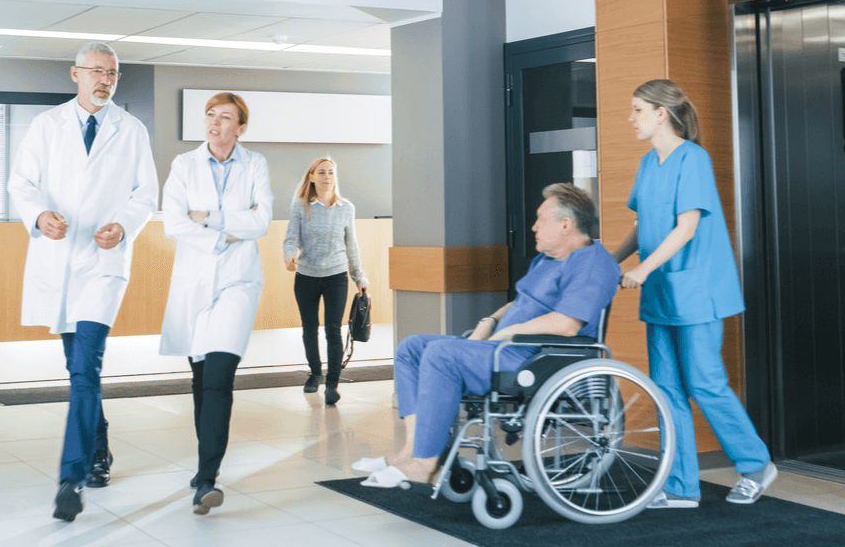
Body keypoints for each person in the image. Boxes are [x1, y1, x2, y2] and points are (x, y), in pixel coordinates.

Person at [352, 183, 618, 488]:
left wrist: (508, 332)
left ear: (566, 225)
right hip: (501, 347)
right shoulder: (546, 260)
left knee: (441, 356)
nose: (533, 227)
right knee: (412, 348)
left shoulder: (594, 264)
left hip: (530, 360)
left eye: (541, 219)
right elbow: (522, 302)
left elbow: (567, 324)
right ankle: (412, 451)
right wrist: (489, 321)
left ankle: (426, 464)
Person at [7, 42, 158, 522]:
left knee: (85, 367)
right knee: (79, 368)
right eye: (97, 71)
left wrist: (125, 224)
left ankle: (70, 478)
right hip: (60, 261)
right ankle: (99, 447)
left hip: (103, 263)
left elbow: (145, 193)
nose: (106, 80)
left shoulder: (131, 130)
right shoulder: (45, 126)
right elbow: (21, 184)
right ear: (75, 74)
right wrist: (38, 215)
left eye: (113, 73)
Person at [614, 79, 776, 508]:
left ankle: (755, 463)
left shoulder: (694, 160)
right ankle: (680, 486)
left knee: (705, 384)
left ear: (660, 113)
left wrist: (643, 269)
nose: (630, 118)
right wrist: (612, 261)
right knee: (666, 391)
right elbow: (643, 223)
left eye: (637, 110)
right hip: (662, 293)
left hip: (697, 290)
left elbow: (686, 227)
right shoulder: (650, 163)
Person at [159, 92, 274, 515]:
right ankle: (205, 464)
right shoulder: (184, 165)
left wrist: (205, 217)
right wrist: (225, 229)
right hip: (194, 284)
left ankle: (207, 478)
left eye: (225, 117)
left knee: (218, 378)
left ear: (240, 127)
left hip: (239, 282)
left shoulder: (255, 163)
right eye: (210, 115)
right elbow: (172, 221)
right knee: (200, 379)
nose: (215, 122)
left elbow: (261, 221)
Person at [282, 157, 368, 405]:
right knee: (309, 328)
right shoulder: (300, 206)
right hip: (306, 276)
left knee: (333, 329)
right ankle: (315, 373)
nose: (326, 176)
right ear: (311, 177)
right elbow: (291, 238)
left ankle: (332, 383)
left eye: (330, 172)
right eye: (321, 172)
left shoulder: (346, 208)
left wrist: (358, 276)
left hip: (336, 276)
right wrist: (289, 256)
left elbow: (351, 245)